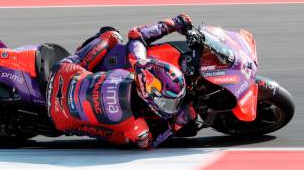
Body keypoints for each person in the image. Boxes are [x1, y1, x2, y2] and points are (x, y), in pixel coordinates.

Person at [46, 13, 196, 148]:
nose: (172, 107)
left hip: (62, 74)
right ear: (149, 96)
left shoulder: (135, 65)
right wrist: (177, 123)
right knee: (122, 139)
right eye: (167, 102)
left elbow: (136, 34)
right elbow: (151, 142)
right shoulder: (137, 125)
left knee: (111, 35)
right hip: (62, 119)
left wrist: (174, 23)